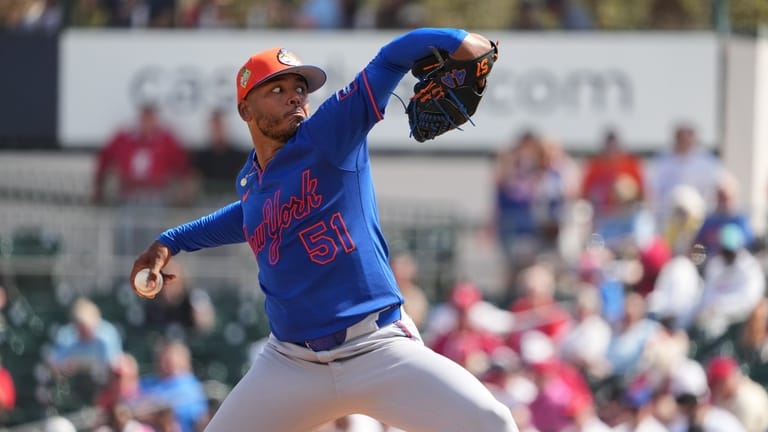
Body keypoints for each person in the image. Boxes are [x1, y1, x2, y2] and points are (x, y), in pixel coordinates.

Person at [130, 28, 518, 432]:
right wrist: (170, 242)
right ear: (245, 110)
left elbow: (392, 58)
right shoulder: (251, 180)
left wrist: (460, 39)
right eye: (276, 89)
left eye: (299, 87)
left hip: (377, 347)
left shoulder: (329, 133)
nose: (295, 95)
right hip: (290, 364)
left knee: (493, 422)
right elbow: (248, 216)